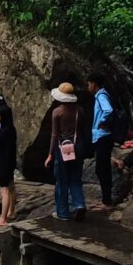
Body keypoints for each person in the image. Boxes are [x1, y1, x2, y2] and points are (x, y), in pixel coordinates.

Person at [46, 83, 87, 221]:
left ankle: (63, 212)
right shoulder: (80, 111)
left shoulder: (57, 112)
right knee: (75, 179)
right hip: (78, 145)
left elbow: (54, 135)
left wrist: (50, 154)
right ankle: (79, 204)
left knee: (62, 180)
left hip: (63, 147)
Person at [88, 73, 115, 211]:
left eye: (89, 84)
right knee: (103, 169)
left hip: (103, 136)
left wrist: (100, 122)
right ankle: (106, 199)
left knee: (102, 169)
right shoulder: (101, 95)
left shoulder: (101, 96)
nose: (88, 87)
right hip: (102, 136)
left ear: (94, 84)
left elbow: (108, 110)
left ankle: (107, 202)